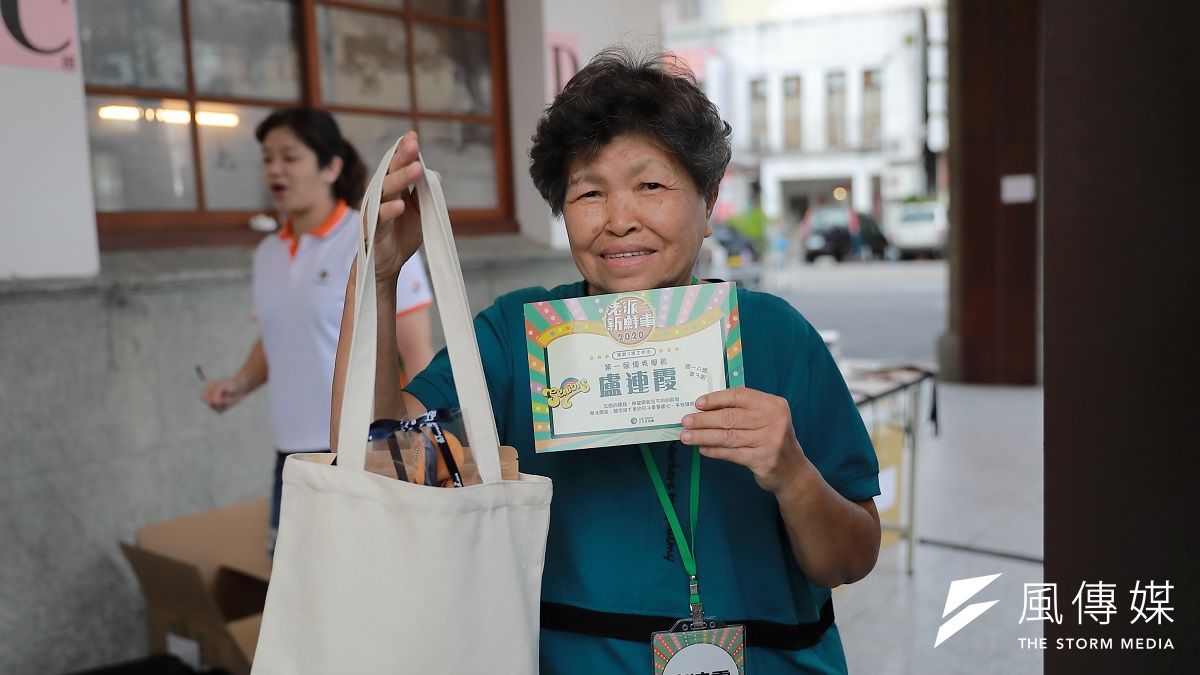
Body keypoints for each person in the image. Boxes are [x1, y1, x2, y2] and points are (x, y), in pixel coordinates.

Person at [334, 49, 880, 673]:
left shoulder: (775, 336)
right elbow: (372, 456)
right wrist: (375, 279)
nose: (619, 221)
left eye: (650, 185)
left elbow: (850, 561)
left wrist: (793, 475)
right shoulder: (519, 337)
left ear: (707, 205)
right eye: (589, 192)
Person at [202, 107, 434, 552]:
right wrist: (239, 384)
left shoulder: (373, 236)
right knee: (294, 589)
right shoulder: (267, 253)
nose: (275, 169)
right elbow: (278, 335)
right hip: (291, 456)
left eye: (290, 157)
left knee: (366, 588)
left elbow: (417, 350)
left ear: (331, 166)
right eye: (267, 158)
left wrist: (422, 448)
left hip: (365, 452)